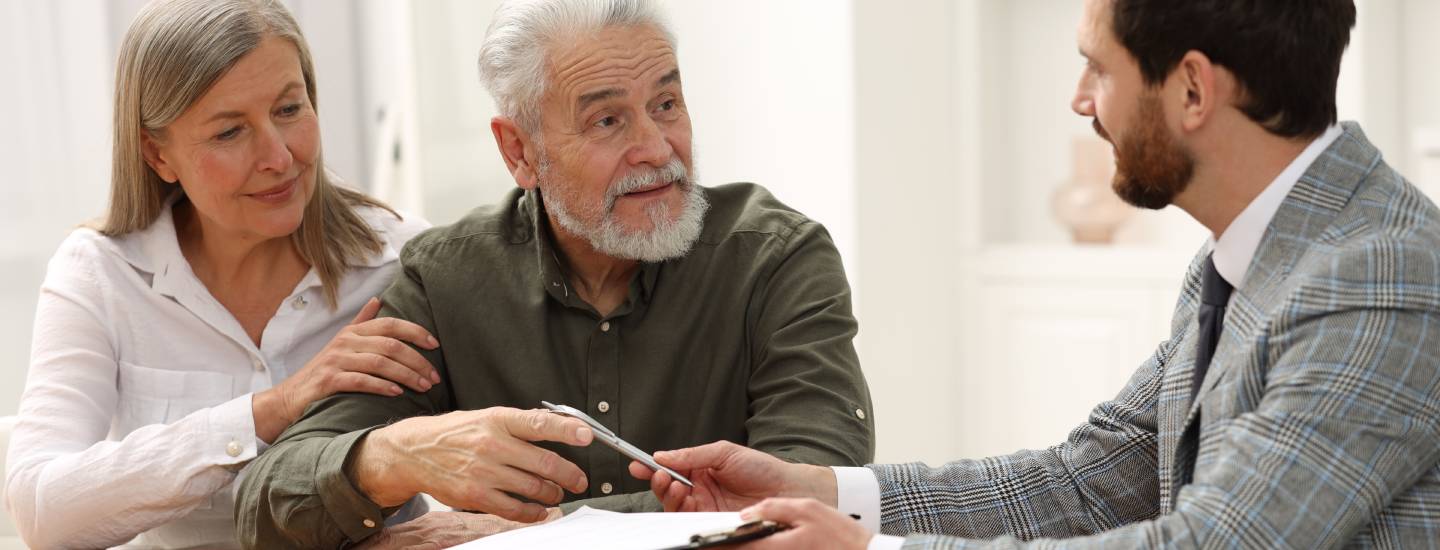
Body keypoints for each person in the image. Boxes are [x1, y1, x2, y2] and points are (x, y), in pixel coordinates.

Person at [634, 0, 1440, 547]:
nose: (1081, 100)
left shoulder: (1379, 277)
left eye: (1099, 68)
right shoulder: (1236, 261)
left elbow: (1214, 542)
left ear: (1192, 88)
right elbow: (1085, 481)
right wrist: (823, 490)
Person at [235, 0, 876, 547]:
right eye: (607, 120)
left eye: (667, 103)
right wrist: (393, 457)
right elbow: (265, 509)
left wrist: (521, 534)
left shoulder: (777, 260)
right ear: (520, 151)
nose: (656, 147)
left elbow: (812, 501)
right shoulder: (447, 280)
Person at [0, 0, 462, 547]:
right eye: (229, 133)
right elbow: (41, 512)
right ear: (158, 155)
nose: (279, 157)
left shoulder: (399, 257)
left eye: (289, 110)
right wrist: (274, 408)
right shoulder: (102, 274)